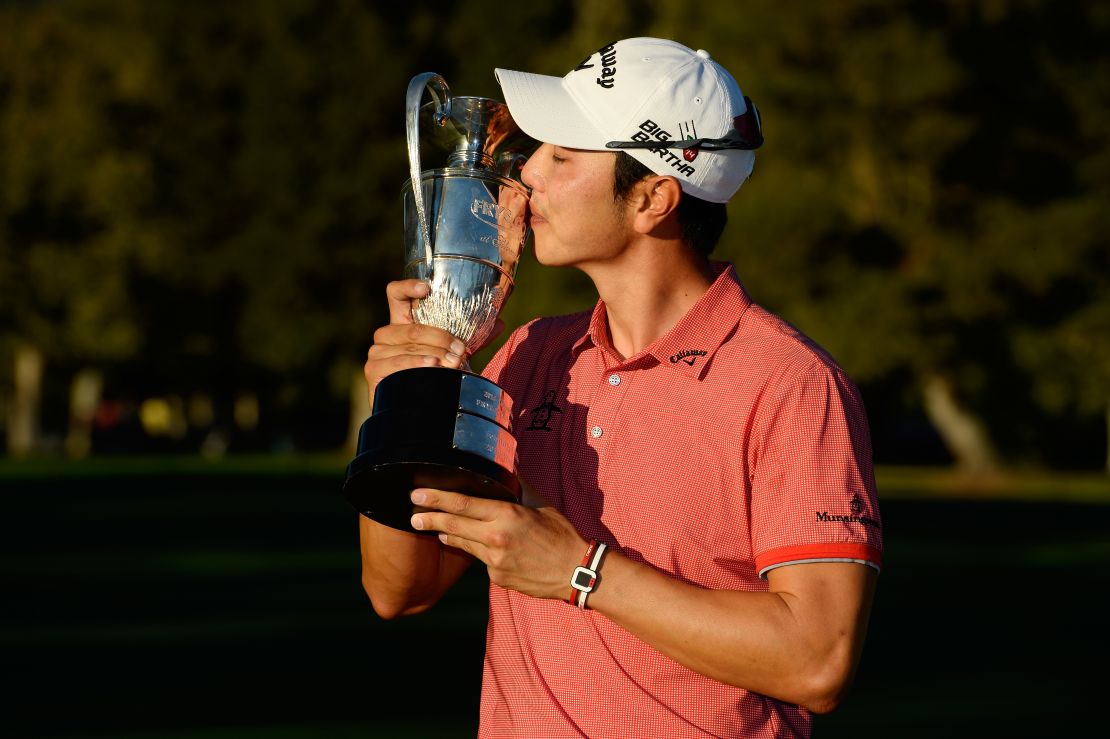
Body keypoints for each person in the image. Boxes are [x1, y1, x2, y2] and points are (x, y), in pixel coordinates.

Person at [359, 37, 883, 739]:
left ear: (653, 199)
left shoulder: (791, 385)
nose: (527, 174)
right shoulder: (531, 356)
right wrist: (414, 388)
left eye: (563, 156)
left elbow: (818, 660)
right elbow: (400, 587)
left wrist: (580, 569)